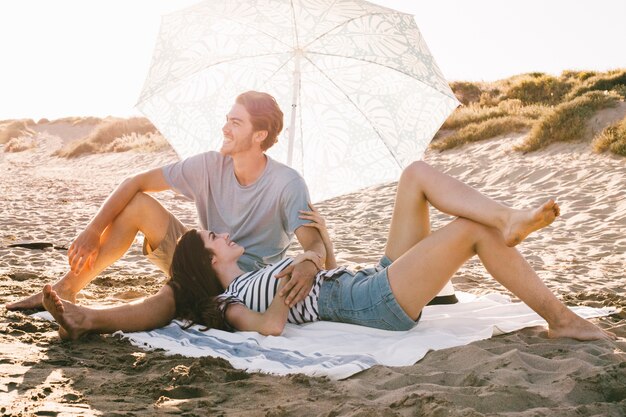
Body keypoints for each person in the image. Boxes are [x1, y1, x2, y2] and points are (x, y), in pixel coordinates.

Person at [41, 162, 615, 341]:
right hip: (374, 303)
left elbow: (326, 264)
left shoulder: (261, 265)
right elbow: (257, 325)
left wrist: (319, 252)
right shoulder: (230, 298)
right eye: (212, 238)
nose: (216, 231)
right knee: (471, 234)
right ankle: (561, 319)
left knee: (414, 174)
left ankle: (506, 217)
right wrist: (88, 316)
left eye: (214, 231)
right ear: (211, 264)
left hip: (367, 279)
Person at [7, 91, 327, 328]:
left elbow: (313, 243)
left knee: (176, 293)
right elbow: (134, 181)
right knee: (137, 204)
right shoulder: (208, 164)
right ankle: (68, 288)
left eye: (235, 123)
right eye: (227, 119)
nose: (225, 128)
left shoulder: (287, 183)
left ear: (259, 135)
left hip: (240, 279)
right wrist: (92, 231)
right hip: (202, 255)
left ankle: (88, 321)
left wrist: (310, 263)